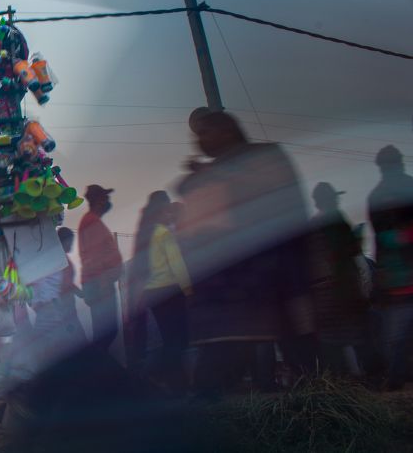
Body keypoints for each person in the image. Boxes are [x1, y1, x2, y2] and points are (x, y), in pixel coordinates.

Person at [176, 108, 312, 396]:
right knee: (224, 351)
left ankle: (323, 407)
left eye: (204, 133)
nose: (198, 141)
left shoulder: (264, 157)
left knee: (299, 345)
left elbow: (287, 207)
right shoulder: (212, 174)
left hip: (277, 268)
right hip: (240, 282)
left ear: (227, 131)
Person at [128, 193, 192, 391]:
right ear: (161, 211)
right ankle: (157, 376)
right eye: (167, 210)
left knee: (168, 339)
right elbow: (177, 264)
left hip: (151, 293)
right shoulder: (163, 233)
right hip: (170, 291)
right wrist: (188, 289)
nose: (169, 214)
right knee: (178, 340)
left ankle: (175, 384)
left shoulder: (143, 233)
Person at [307, 183, 367, 374]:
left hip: (323, 291)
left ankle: (340, 380)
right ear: (330, 199)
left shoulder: (312, 225)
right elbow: (349, 251)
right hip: (341, 288)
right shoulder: (335, 220)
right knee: (353, 335)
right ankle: (361, 377)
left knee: (333, 339)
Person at [367, 145, 413, 390]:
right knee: (395, 338)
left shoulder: (379, 194)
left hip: (395, 280)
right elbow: (380, 238)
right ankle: (396, 379)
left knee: (395, 338)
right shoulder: (383, 194)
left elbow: (379, 240)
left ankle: (396, 380)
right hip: (396, 281)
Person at [77, 185, 123, 352]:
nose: (107, 201)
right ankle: (96, 370)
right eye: (105, 197)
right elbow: (96, 258)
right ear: (99, 200)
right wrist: (103, 284)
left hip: (98, 282)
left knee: (105, 333)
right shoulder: (91, 221)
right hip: (99, 283)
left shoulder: (92, 221)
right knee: (106, 333)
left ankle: (98, 368)